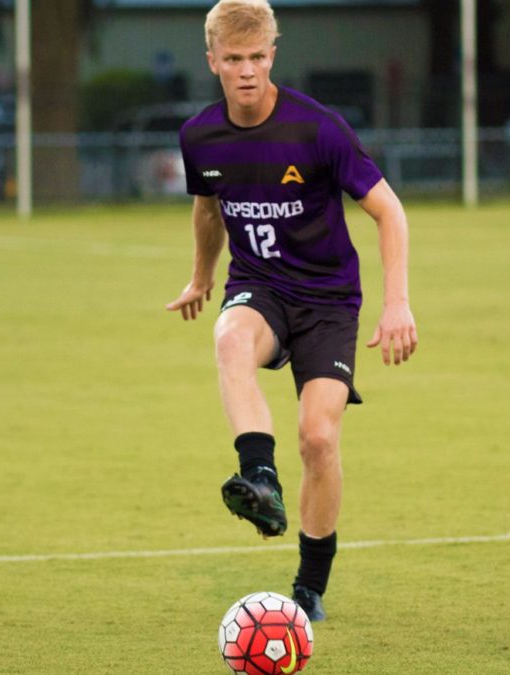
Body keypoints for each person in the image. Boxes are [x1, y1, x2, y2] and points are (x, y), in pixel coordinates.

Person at [166, 0, 418, 622]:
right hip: (260, 287)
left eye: (257, 57)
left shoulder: (319, 128)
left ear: (273, 54)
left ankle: (309, 584)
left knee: (318, 437)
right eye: (233, 60)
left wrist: (398, 304)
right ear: (213, 62)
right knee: (229, 339)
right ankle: (258, 477)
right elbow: (206, 211)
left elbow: (389, 211)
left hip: (329, 301)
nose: (247, 71)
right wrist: (202, 277)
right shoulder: (200, 136)